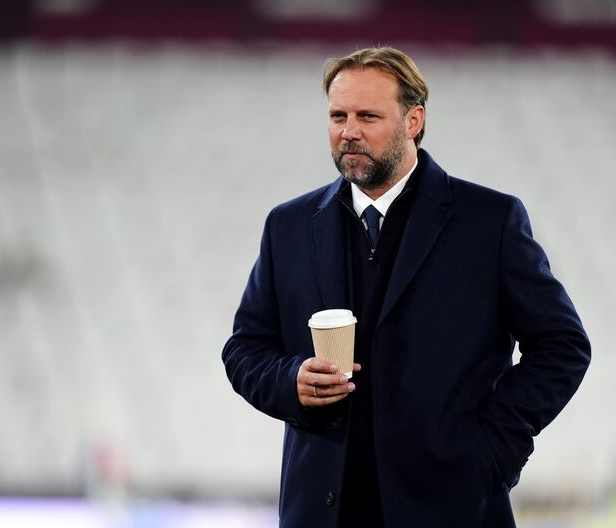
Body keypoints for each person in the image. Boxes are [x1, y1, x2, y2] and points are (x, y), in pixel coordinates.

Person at [222, 46, 591, 527]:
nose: (348, 131)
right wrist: (289, 380)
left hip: (453, 507)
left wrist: (494, 448)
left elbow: (562, 345)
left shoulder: (489, 222)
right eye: (338, 115)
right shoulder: (287, 226)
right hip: (323, 511)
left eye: (367, 116)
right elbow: (245, 349)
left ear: (413, 120)